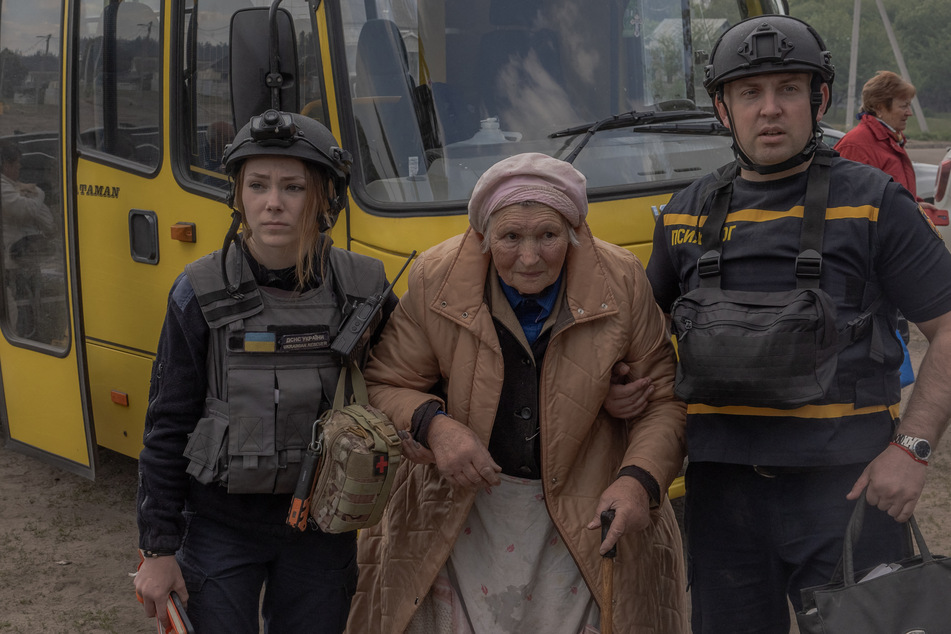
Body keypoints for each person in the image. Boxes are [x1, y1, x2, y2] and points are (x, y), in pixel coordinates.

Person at [645, 15, 951, 633]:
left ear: (818, 99)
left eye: (788, 89)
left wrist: (912, 452)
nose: (770, 110)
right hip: (720, 499)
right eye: (749, 92)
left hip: (849, 495)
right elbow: (645, 344)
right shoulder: (682, 213)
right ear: (723, 109)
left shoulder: (875, 202)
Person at [347, 152, 688, 634]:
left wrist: (639, 481)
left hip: (588, 503)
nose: (529, 257)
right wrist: (434, 426)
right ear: (485, 239)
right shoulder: (436, 278)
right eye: (510, 237)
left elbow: (664, 400)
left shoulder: (621, 279)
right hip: (461, 511)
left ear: (572, 235)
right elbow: (384, 382)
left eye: (548, 236)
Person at [134, 109, 393, 633]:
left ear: (325, 199)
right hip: (218, 527)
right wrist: (158, 549)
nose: (273, 202)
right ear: (239, 196)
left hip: (324, 527)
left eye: (293, 186)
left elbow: (413, 375)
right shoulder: (198, 290)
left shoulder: (365, 289)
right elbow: (167, 425)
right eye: (257, 185)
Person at [835, 71, 943, 219]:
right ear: (880, 108)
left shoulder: (891, 140)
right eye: (904, 106)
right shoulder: (856, 146)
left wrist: (912, 204)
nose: (909, 113)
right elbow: (846, 209)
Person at [1, 141, 57, 338]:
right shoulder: (4, 188)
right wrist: (39, 194)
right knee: (19, 310)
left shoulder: (18, 188)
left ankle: (32, 336)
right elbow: (27, 210)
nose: (19, 168)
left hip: (26, 259)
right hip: (11, 263)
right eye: (16, 164)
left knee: (33, 305)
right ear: (6, 165)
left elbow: (47, 221)